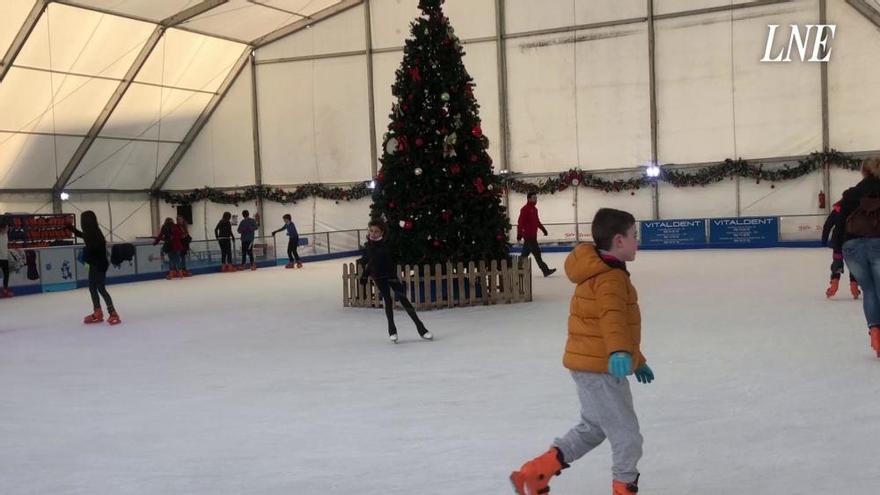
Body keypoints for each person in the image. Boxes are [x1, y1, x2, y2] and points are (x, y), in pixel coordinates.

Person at [510, 208, 651, 495]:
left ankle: (535, 473)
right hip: (602, 367)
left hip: (591, 362)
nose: (638, 242)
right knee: (627, 437)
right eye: (634, 236)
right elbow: (612, 319)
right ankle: (623, 489)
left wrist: (637, 361)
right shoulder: (611, 277)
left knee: (594, 428)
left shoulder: (598, 269)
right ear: (618, 241)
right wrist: (621, 353)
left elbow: (610, 323)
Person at [359, 219, 432, 343]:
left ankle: (421, 329)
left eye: (376, 231)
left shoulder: (387, 244)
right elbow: (369, 262)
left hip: (391, 275)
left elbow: (393, 257)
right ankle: (392, 330)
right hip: (378, 277)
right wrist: (365, 275)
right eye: (371, 231)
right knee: (387, 300)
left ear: (382, 232)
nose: (373, 233)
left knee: (403, 299)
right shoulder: (369, 245)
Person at [838, 157, 880, 357]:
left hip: (851, 247)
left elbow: (838, 226)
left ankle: (874, 331)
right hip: (877, 244)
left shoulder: (851, 194)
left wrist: (837, 259)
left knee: (869, 290)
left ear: (863, 172)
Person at [66, 211, 120, 325]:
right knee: (95, 287)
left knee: (98, 288)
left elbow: (95, 248)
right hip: (98, 263)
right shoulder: (94, 231)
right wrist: (69, 227)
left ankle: (111, 313)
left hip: (97, 264)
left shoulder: (91, 233)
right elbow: (82, 235)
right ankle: (99, 312)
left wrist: (86, 253)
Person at [822, 201, 859, 299]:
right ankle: (854, 289)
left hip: (838, 243)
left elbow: (828, 225)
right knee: (854, 264)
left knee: (837, 263)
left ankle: (834, 287)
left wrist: (824, 240)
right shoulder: (857, 210)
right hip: (853, 242)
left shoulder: (836, 211)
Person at [517, 191, 556, 277]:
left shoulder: (534, 209)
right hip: (528, 236)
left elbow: (537, 222)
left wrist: (543, 229)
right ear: (529, 199)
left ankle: (518, 270)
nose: (535, 199)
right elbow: (520, 222)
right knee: (537, 253)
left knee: (525, 253)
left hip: (533, 236)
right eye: (534, 198)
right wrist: (519, 233)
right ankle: (545, 270)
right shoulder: (525, 209)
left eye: (536, 198)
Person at [0, 217, 11, 298]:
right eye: (6, 227)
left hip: (5, 258)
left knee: (6, 274)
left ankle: (5, 289)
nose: (8, 228)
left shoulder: (6, 235)